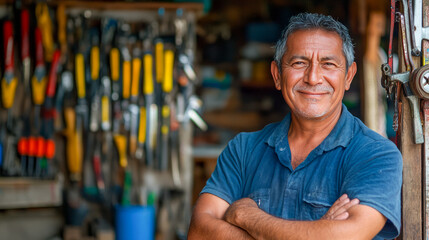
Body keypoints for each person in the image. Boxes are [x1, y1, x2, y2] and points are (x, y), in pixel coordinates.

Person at [188, 12, 402, 240]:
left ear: (348, 76)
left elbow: (349, 234)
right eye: (299, 63)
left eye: (328, 64)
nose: (313, 77)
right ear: (277, 75)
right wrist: (319, 230)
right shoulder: (243, 150)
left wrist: (248, 217)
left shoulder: (375, 155)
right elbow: (200, 232)